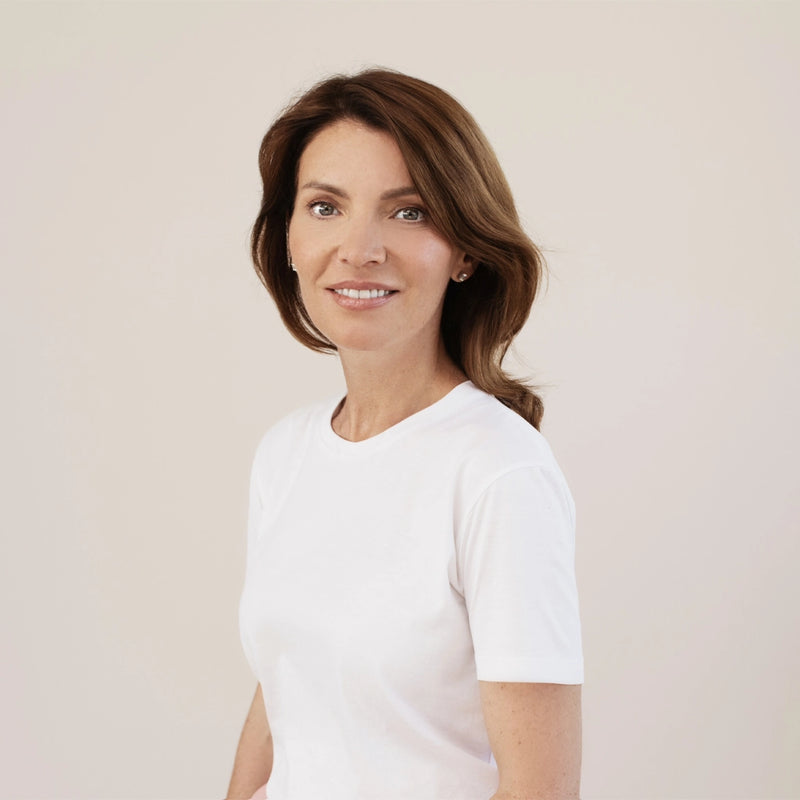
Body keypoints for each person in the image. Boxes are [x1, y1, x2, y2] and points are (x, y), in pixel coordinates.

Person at [227, 68, 583, 800]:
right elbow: (284, 690)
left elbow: (539, 789)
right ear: (288, 237)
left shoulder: (498, 471)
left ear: (466, 251)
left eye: (410, 212)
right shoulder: (285, 453)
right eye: (325, 206)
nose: (359, 248)